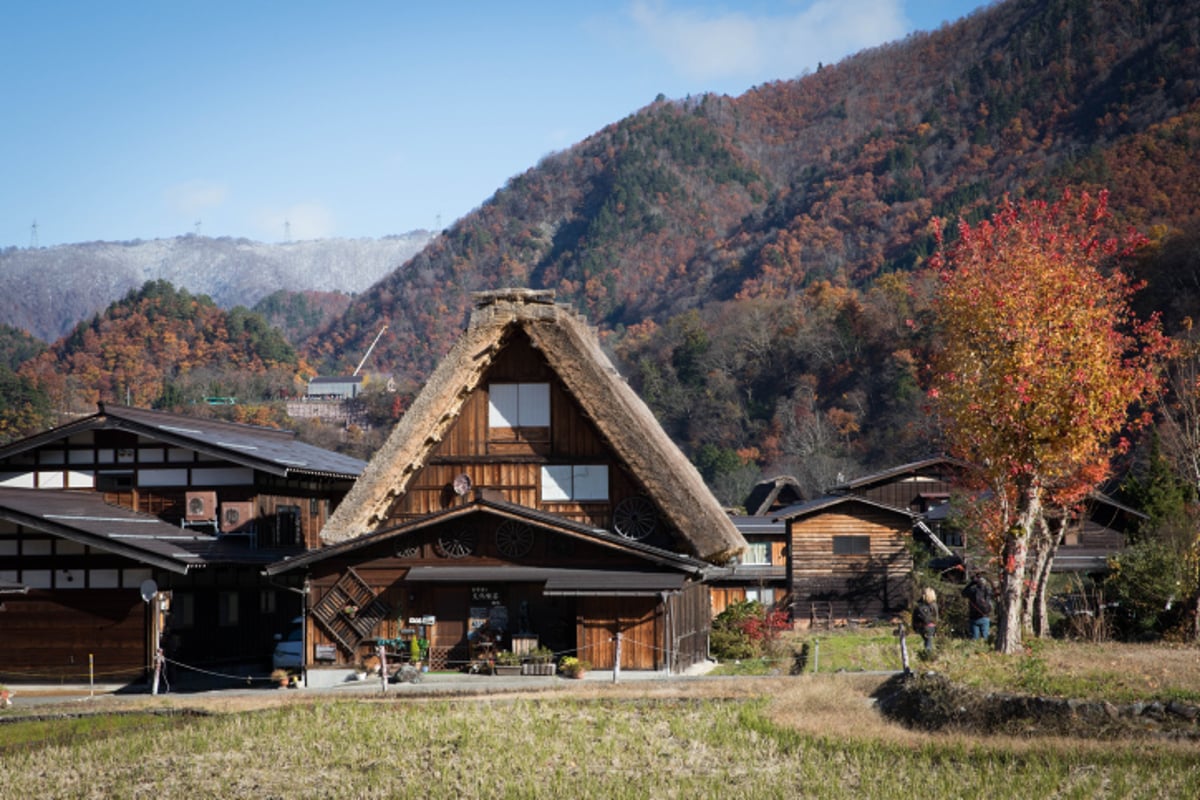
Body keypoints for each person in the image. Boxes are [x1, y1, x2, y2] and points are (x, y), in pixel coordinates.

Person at [962, 571, 995, 641]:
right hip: (985, 616)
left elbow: (963, 593)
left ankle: (975, 651)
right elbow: (995, 594)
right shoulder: (988, 590)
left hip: (973, 618)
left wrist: (971, 583)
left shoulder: (972, 591)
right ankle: (985, 651)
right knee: (985, 639)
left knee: (974, 639)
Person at [912, 587, 939, 653]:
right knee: (929, 642)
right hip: (930, 626)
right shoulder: (933, 605)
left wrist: (915, 627)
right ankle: (928, 656)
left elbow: (914, 616)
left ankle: (926, 654)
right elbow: (936, 617)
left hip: (920, 626)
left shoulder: (919, 605)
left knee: (926, 641)